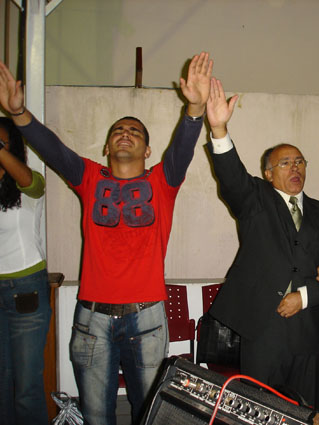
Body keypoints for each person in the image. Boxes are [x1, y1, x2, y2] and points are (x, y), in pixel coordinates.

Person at [0, 52, 212, 425]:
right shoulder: (89, 177)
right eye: (117, 131)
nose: (125, 133)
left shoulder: (162, 181)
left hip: (146, 318)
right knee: (97, 416)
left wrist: (194, 109)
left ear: (148, 151)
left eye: (135, 132)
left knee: (149, 415)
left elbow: (183, 148)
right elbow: (53, 149)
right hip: (92, 321)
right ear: (106, 148)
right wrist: (19, 114)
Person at [205, 77, 319, 413]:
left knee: (306, 411)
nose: (295, 167)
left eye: (300, 161)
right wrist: (218, 130)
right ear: (268, 173)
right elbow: (232, 178)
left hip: (307, 329)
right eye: (285, 163)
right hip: (263, 328)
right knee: (259, 409)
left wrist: (307, 293)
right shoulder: (256, 200)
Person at [0, 117, 50, 424]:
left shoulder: (29, 183)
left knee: (26, 387)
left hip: (25, 288)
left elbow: (29, 182)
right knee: (2, 382)